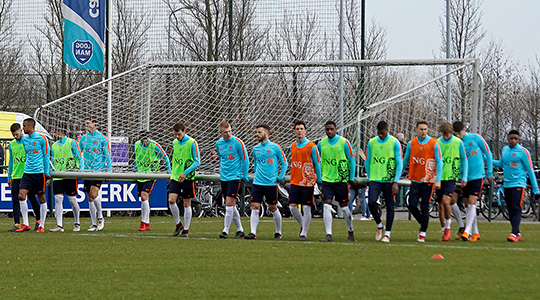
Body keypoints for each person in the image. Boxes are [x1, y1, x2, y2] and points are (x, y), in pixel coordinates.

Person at [493, 130, 539, 242]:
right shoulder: (505, 150)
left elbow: (530, 170)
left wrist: (536, 188)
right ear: (508, 139)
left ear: (518, 140)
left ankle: (513, 233)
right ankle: (517, 233)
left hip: (519, 183)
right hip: (507, 183)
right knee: (510, 209)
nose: (513, 140)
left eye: (515, 138)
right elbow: (501, 164)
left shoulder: (523, 152)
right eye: (511, 138)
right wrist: (487, 159)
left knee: (516, 206)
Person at [402, 120, 443, 242]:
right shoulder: (411, 143)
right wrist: (398, 175)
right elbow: (405, 159)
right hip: (415, 179)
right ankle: (422, 222)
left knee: (425, 205)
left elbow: (440, 162)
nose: (423, 131)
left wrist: (438, 180)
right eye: (421, 129)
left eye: (425, 129)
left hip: (428, 180)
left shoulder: (434, 143)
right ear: (416, 130)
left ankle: (423, 233)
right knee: (412, 204)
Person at [245, 124, 287, 240]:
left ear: (266, 133)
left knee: (273, 208)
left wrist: (281, 176)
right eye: (257, 132)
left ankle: (278, 232)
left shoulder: (275, 147)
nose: (257, 134)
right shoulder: (255, 149)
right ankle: (253, 233)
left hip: (270, 183)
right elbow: (257, 164)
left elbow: (284, 162)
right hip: (258, 183)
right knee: (254, 206)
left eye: (259, 132)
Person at [452, 121, 493, 242]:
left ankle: (466, 231)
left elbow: (488, 153)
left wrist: (489, 172)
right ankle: (475, 232)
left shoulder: (475, 137)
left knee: (472, 201)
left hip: (477, 175)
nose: (458, 136)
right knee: (467, 204)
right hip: (463, 176)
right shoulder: (456, 142)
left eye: (459, 133)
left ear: (464, 129)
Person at [365, 121, 403, 243]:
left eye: (382, 133)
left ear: (387, 130)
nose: (380, 135)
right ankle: (380, 225)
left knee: (390, 205)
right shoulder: (372, 143)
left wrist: (396, 181)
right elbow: (368, 161)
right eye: (379, 133)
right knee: (371, 202)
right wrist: (370, 177)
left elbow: (399, 162)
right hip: (375, 179)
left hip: (389, 180)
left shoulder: (394, 142)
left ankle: (387, 234)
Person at [318, 121, 356, 242]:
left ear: (336, 129)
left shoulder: (344, 143)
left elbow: (352, 159)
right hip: (327, 180)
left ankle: (350, 230)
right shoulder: (321, 144)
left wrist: (351, 177)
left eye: (331, 129)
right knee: (327, 205)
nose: (329, 131)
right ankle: (328, 234)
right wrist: (319, 177)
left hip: (341, 180)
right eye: (327, 129)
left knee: (344, 208)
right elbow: (318, 161)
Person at [288, 120, 321, 241]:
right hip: (295, 180)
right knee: (292, 207)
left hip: (307, 181)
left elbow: (317, 163)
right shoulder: (292, 145)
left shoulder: (311, 146)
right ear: (294, 131)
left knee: (306, 207)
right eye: (297, 129)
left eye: (301, 129)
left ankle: (304, 233)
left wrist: (319, 177)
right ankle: (303, 225)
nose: (299, 131)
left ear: (305, 131)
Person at [214, 121, 248, 239]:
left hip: (235, 176)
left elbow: (245, 159)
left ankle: (225, 230)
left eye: (229, 131)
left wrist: (244, 174)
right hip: (224, 177)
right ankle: (240, 229)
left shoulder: (238, 142)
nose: (228, 134)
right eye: (225, 132)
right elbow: (221, 158)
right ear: (221, 133)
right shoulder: (218, 144)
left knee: (229, 202)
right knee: (231, 205)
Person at [435, 122, 467, 241]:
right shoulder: (437, 142)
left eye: (447, 134)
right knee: (440, 205)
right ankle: (444, 230)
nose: (445, 136)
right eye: (443, 134)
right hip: (439, 178)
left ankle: (448, 229)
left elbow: (464, 159)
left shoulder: (458, 142)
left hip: (451, 177)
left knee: (446, 201)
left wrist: (465, 176)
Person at [17, 118, 51, 233]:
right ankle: (26, 224)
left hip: (39, 172)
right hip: (27, 172)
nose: (23, 128)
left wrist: (46, 173)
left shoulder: (42, 139)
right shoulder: (25, 140)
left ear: (30, 126)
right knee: (21, 195)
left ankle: (41, 225)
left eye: (24, 126)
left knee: (42, 198)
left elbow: (46, 156)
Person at [134, 130, 171, 231]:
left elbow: (165, 157)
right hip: (140, 175)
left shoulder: (155, 146)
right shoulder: (136, 145)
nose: (144, 142)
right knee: (143, 199)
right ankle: (147, 223)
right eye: (142, 140)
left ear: (149, 137)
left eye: (145, 140)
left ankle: (143, 223)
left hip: (151, 174)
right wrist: (135, 171)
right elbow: (136, 159)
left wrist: (169, 172)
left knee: (144, 196)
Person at [49, 126, 84, 232]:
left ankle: (77, 223)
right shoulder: (54, 146)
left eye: (55, 132)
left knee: (72, 200)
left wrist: (81, 171)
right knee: (58, 199)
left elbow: (79, 157)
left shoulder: (71, 143)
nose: (54, 135)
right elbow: (52, 161)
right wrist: (50, 175)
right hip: (58, 176)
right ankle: (59, 225)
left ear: (60, 132)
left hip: (70, 174)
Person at [168, 123, 200, 237]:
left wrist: (185, 173)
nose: (177, 137)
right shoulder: (175, 142)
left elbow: (197, 161)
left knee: (187, 203)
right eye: (175, 134)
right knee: (171, 200)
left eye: (179, 134)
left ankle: (186, 230)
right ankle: (178, 224)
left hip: (188, 178)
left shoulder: (192, 142)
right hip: (175, 176)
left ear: (184, 131)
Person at [7, 123, 40, 232]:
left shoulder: (28, 142)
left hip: (28, 174)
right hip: (16, 175)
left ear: (21, 130)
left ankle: (38, 220)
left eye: (16, 134)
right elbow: (11, 160)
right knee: (16, 200)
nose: (15, 137)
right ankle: (17, 224)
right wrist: (9, 176)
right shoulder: (12, 145)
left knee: (32, 198)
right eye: (13, 135)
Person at [80, 119, 111, 231]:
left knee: (93, 194)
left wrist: (109, 171)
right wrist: (81, 169)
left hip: (99, 170)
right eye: (85, 124)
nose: (86, 125)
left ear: (94, 124)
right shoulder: (83, 138)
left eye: (88, 123)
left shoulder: (102, 138)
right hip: (88, 171)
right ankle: (93, 224)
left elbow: (107, 155)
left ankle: (101, 218)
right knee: (90, 198)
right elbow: (80, 154)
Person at [395, 133, 408, 207]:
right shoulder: (406, 147)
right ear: (403, 139)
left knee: (398, 186)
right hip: (405, 169)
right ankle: (405, 202)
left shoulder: (396, 146)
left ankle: (398, 203)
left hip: (398, 169)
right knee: (405, 186)